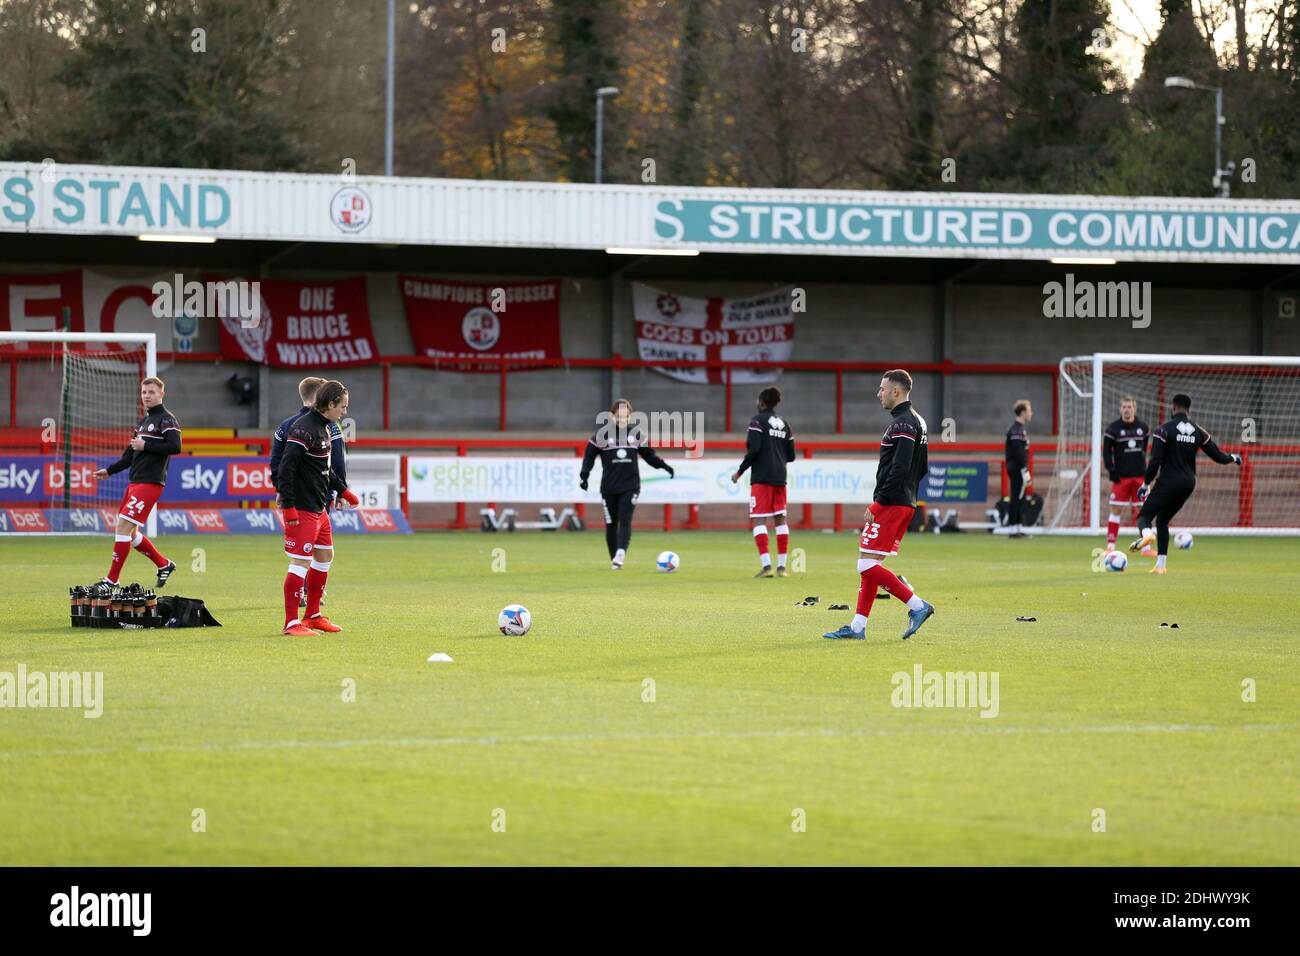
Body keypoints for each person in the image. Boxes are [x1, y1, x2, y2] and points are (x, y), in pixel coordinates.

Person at [824, 370, 935, 640]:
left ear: (896, 392)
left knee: (865, 565)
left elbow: (900, 467)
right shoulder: (917, 421)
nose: (879, 394)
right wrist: (906, 494)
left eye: (882, 389)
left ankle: (917, 606)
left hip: (892, 502)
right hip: (903, 500)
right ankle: (858, 627)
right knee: (869, 562)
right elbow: (922, 468)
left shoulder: (902, 424)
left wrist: (880, 502)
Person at [277, 380, 359, 634]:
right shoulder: (303, 429)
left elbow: (324, 468)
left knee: (324, 555)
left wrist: (342, 489)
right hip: (301, 507)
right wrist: (288, 506)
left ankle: (312, 615)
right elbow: (285, 468)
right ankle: (291, 623)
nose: (345, 412)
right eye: (342, 406)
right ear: (330, 404)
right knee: (300, 561)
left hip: (318, 507)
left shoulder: (325, 427)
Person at [1129, 393, 1240, 574]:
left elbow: (1155, 461)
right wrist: (1233, 458)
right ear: (1189, 409)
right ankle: (1160, 566)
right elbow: (1218, 456)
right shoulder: (1198, 431)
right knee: (1163, 519)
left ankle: (1148, 537)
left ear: (1173, 408)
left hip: (1168, 480)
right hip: (1188, 483)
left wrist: (1145, 484)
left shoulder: (1163, 430)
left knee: (1144, 517)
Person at [92, 376, 180, 589]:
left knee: (122, 527)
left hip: (150, 482)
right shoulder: (143, 422)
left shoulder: (167, 419)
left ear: (161, 394)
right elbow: (130, 455)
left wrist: (145, 446)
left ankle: (112, 580)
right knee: (130, 533)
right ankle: (163, 564)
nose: (147, 396)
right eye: (144, 392)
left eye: (151, 392)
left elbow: (175, 447)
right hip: (135, 482)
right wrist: (109, 471)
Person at [579, 399, 674, 569]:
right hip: (608, 488)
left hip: (630, 486)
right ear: (612, 416)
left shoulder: (637, 434)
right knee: (610, 524)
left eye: (625, 415)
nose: (622, 418)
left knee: (625, 519)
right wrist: (584, 476)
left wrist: (664, 466)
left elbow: (649, 456)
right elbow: (588, 457)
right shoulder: (601, 435)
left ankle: (621, 552)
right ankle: (615, 559)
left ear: (630, 416)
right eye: (618, 415)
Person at [732, 387, 796, 577]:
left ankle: (767, 567)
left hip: (761, 477)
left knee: (759, 519)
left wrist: (739, 472)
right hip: (780, 477)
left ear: (761, 402)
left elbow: (754, 450)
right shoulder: (785, 425)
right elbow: (791, 456)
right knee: (780, 519)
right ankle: (782, 567)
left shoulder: (757, 421)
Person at [1103, 396, 1154, 555]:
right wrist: (1111, 469)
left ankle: (1146, 548)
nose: (1127, 409)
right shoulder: (1113, 429)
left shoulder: (1143, 428)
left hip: (1140, 477)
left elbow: (1144, 450)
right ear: (1120, 409)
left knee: (1144, 511)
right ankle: (1110, 547)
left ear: (1134, 408)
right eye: (1124, 407)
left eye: (1129, 407)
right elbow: (1106, 452)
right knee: (1116, 509)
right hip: (1121, 477)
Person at [1004, 400, 1033, 538]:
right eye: (1029, 410)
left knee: (1020, 496)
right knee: (1016, 496)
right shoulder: (1015, 430)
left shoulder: (1020, 429)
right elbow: (1018, 453)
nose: (1031, 413)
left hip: (1020, 468)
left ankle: (1018, 526)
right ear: (1022, 412)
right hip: (1016, 468)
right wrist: (1023, 469)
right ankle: (1012, 528)